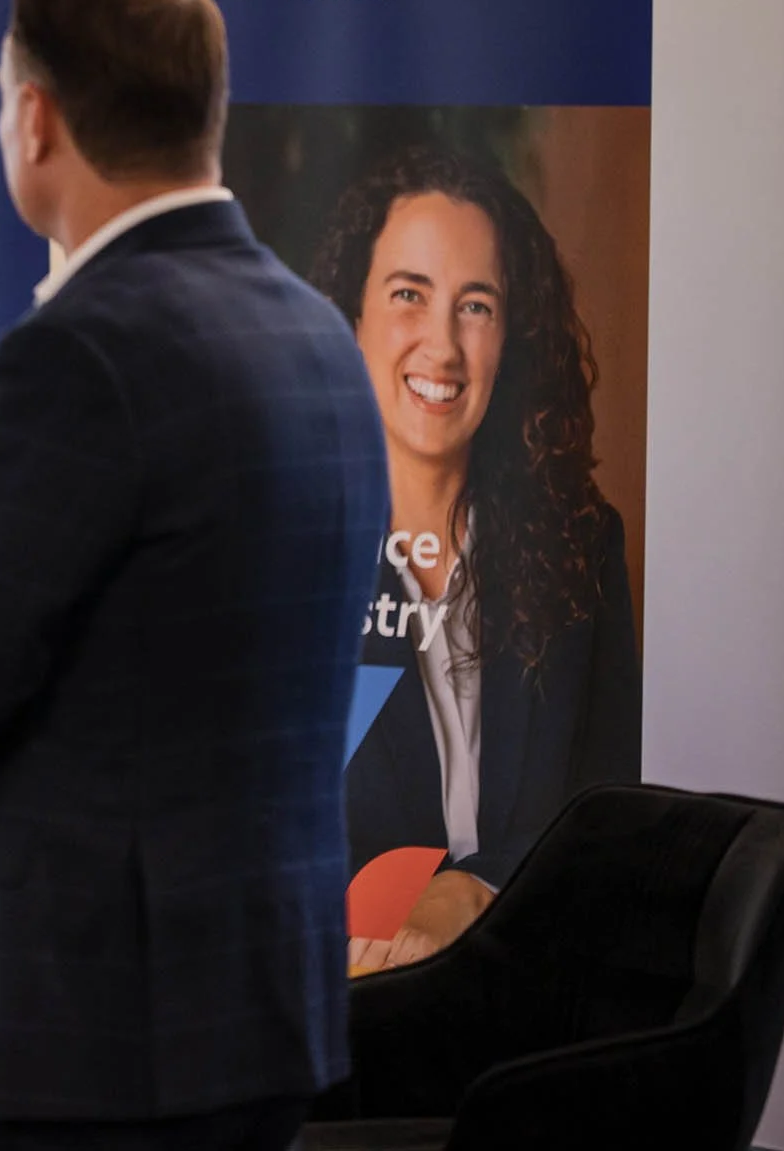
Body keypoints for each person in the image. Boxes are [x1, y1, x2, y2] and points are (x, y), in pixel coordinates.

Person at [0, 0, 390, 1151]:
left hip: (80, 1031)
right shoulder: (317, 336)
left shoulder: (76, 353)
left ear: (35, 119)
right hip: (258, 1013)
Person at [312, 146, 640, 971]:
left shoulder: (582, 549)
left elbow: (610, 827)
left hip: (539, 1028)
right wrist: (394, 908)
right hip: (348, 1055)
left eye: (477, 306)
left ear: (511, 337)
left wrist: (470, 891)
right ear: (350, 323)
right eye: (408, 296)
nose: (443, 345)